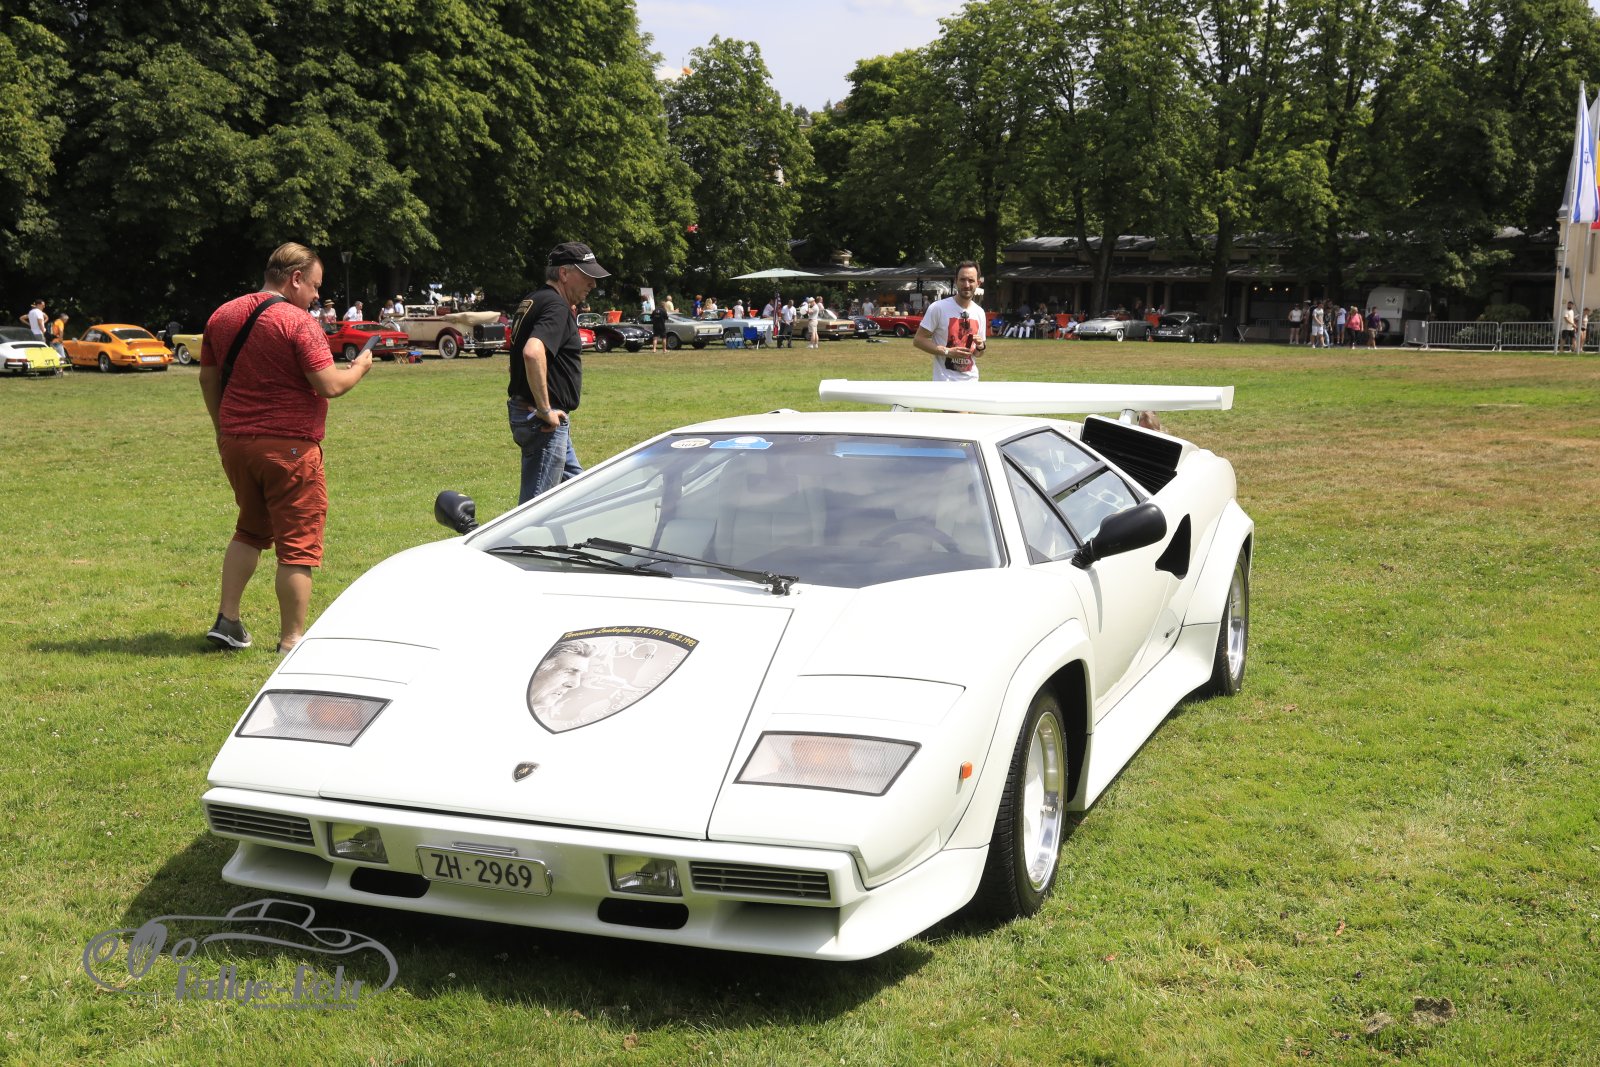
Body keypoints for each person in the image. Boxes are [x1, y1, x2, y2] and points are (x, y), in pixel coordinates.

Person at [198, 242, 373, 653]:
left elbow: (207, 379)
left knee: (250, 529)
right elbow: (329, 385)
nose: (316, 296)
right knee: (298, 544)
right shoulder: (297, 323)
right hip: (290, 449)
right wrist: (360, 368)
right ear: (295, 278)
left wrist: (224, 429)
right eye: (315, 286)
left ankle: (228, 619)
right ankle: (291, 639)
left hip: (237, 444)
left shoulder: (222, 315)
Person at [507, 241, 610, 504]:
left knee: (581, 495)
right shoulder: (556, 307)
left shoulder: (534, 300)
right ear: (564, 273)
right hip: (544, 422)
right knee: (535, 510)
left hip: (535, 415)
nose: (593, 283)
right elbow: (532, 353)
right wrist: (544, 410)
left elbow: (515, 356)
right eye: (587, 276)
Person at [914, 261, 987, 381]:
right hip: (944, 384)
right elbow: (918, 340)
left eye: (971, 280)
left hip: (972, 383)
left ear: (978, 283)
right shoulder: (938, 308)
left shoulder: (979, 312)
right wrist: (947, 351)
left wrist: (981, 347)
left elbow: (978, 354)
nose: (966, 285)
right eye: (962, 280)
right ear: (956, 281)